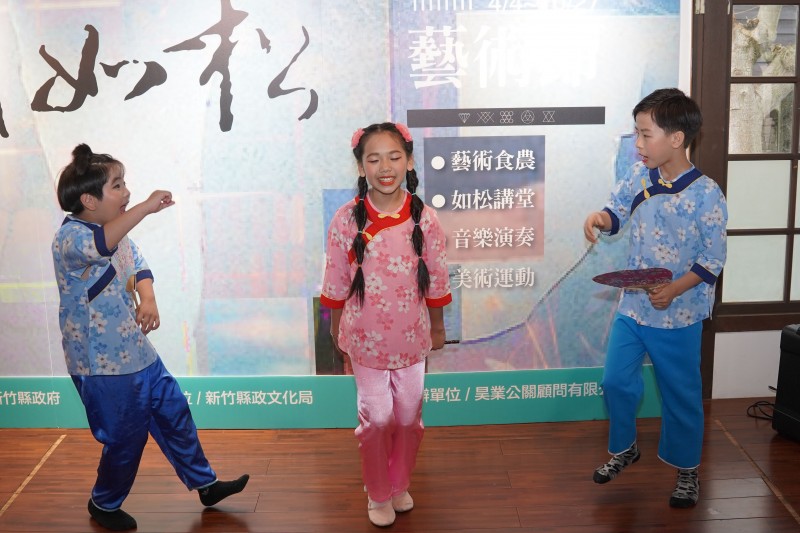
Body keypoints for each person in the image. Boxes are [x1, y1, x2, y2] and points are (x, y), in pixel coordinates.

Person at [52, 144, 249, 531]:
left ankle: (205, 483)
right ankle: (104, 503)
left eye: (125, 183)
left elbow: (137, 265)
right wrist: (145, 207)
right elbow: (102, 245)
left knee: (175, 414)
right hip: (102, 364)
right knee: (125, 436)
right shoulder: (71, 238)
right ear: (89, 200)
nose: (126, 192)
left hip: (137, 352)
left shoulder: (116, 232)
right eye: (117, 185)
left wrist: (149, 298)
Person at [583, 88, 727, 508]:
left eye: (646, 135)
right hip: (633, 306)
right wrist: (598, 219)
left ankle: (687, 470)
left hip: (680, 313)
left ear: (677, 138)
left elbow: (712, 259)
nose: (639, 144)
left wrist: (675, 289)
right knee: (614, 381)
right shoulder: (638, 176)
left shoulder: (707, 194)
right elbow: (616, 212)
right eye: (637, 134)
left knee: (681, 394)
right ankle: (625, 448)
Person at [320, 122, 452, 527]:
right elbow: (336, 280)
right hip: (364, 340)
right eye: (373, 159)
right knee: (377, 419)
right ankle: (378, 492)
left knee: (409, 418)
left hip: (412, 340)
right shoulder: (346, 219)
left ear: (409, 162)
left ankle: (398, 483)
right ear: (361, 167)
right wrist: (336, 329)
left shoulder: (425, 219)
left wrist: (437, 328)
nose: (385, 167)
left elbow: (437, 279)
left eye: (394, 157)